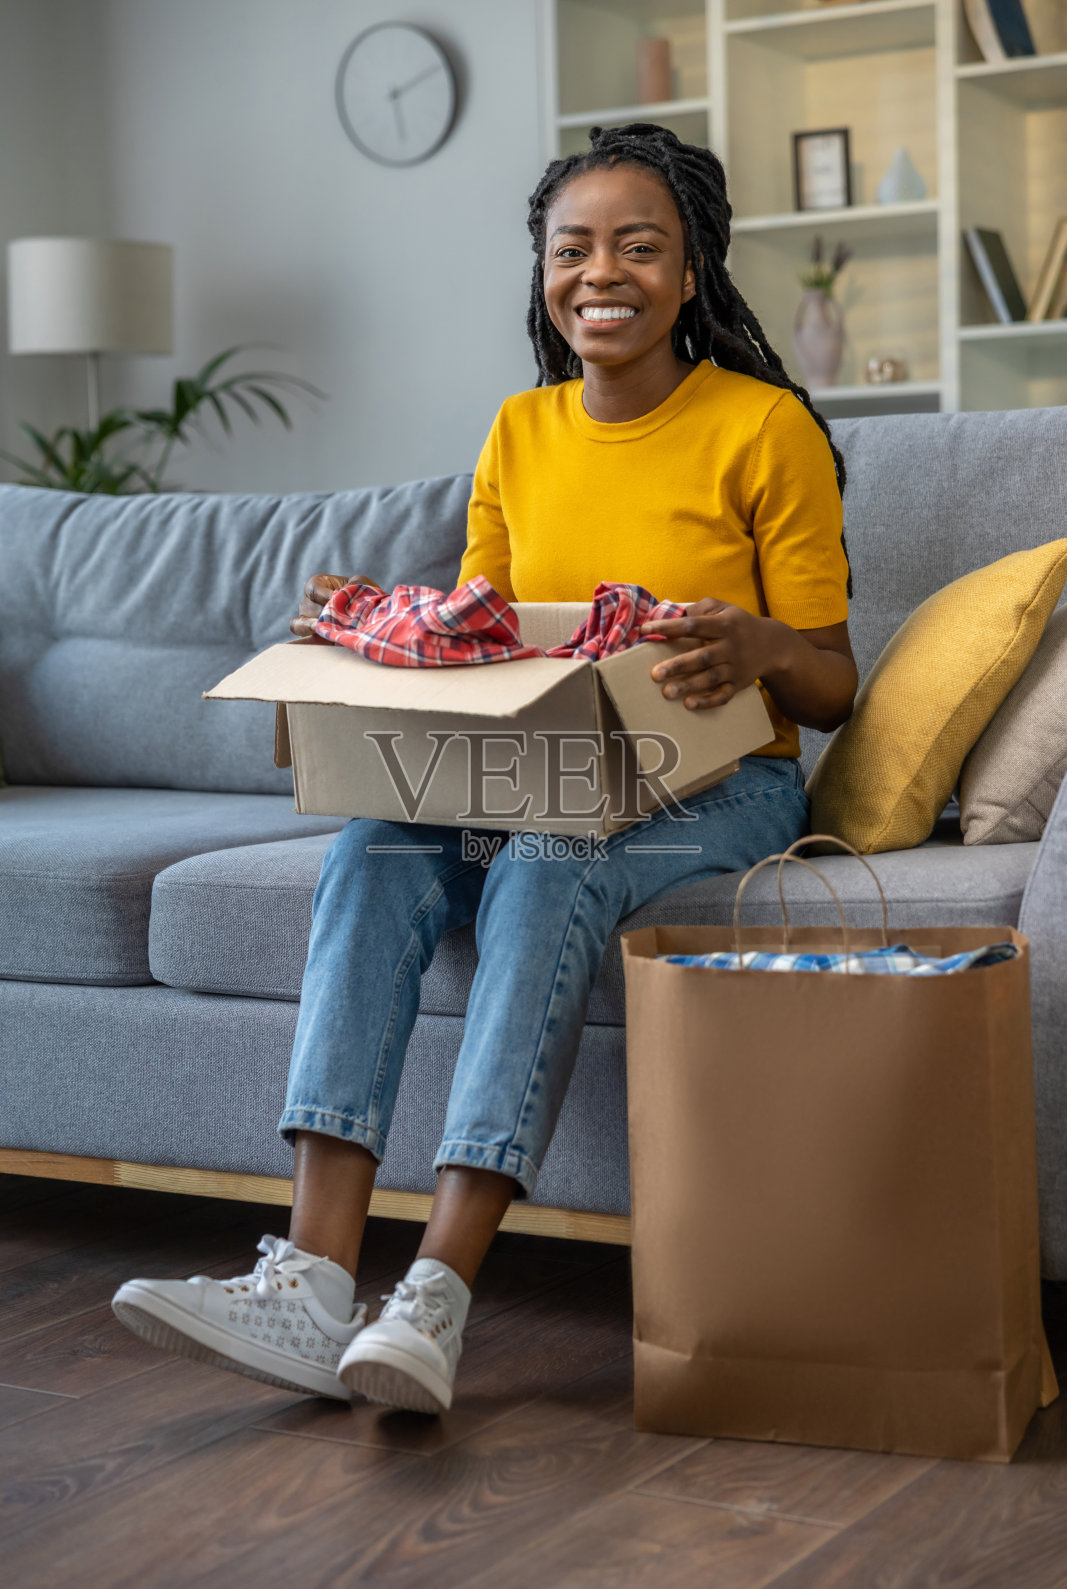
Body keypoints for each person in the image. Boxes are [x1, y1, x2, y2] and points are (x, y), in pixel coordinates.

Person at [112, 124, 857, 1416]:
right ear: (543, 275)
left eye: (639, 246)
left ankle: (440, 1297)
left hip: (725, 786)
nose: (600, 273)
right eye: (572, 249)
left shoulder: (765, 429)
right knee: (376, 848)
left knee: (551, 865)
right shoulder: (519, 432)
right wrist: (366, 625)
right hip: (544, 771)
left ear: (692, 274)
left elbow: (836, 684)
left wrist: (757, 643)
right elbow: (483, 646)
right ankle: (311, 1280)